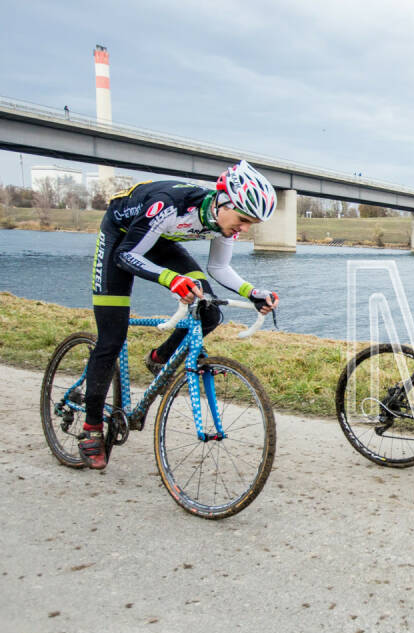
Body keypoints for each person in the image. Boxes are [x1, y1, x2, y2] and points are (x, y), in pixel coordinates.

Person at [77, 160, 280, 469]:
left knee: (208, 310)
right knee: (112, 338)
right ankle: (91, 428)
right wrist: (171, 279)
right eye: (243, 219)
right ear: (224, 201)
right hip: (121, 240)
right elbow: (126, 256)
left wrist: (253, 293)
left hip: (159, 240)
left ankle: (159, 358)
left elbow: (219, 268)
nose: (245, 228)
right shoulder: (171, 206)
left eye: (251, 223)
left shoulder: (222, 220)